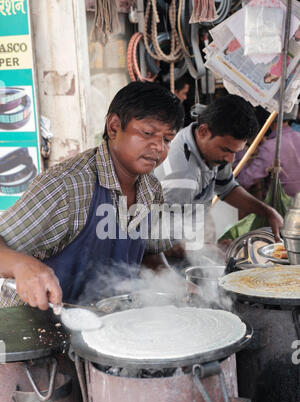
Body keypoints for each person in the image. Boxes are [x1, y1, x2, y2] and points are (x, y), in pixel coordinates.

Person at [0, 81, 184, 310]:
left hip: (111, 324)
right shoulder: (66, 187)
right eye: (148, 133)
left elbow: (148, 255)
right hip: (39, 327)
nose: (158, 147)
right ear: (114, 127)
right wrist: (20, 265)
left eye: (167, 139)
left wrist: (179, 287)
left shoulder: (151, 190)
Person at [154, 94, 283, 255]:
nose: (230, 159)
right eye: (226, 150)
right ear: (203, 131)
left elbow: (227, 188)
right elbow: (156, 245)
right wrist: (211, 250)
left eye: (235, 152)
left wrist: (267, 211)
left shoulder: (207, 146)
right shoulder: (181, 178)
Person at [236, 105, 300, 199]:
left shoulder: (271, 146)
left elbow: (245, 180)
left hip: (283, 207)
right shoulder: (297, 136)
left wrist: (240, 150)